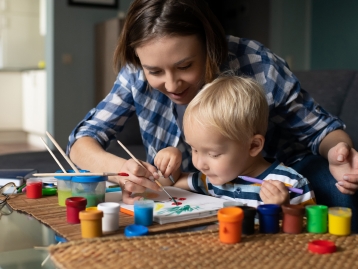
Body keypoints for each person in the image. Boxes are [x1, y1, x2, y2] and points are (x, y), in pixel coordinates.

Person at [67, 0, 358, 231]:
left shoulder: (255, 61)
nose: (171, 84)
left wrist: (339, 152)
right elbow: (82, 141)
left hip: (275, 175)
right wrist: (125, 170)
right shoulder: (135, 71)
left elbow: (321, 130)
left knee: (338, 191)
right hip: (196, 183)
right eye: (154, 71)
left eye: (185, 66)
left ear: (211, 45)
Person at [155, 75, 316, 207]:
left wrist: (282, 208)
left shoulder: (291, 184)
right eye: (194, 149)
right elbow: (168, 185)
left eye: (214, 154)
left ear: (253, 146)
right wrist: (171, 158)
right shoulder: (210, 180)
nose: (199, 164)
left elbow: (312, 232)